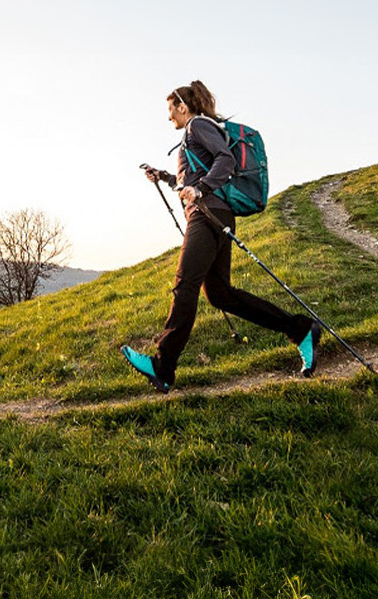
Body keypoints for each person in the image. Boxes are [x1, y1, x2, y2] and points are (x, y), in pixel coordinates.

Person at [123, 81, 320, 393]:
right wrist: (164, 176)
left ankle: (163, 365)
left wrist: (200, 189)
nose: (169, 116)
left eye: (170, 110)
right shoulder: (195, 133)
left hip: (207, 216)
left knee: (185, 284)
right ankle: (301, 329)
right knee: (220, 295)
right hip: (213, 215)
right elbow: (192, 178)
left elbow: (224, 160)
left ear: (182, 106)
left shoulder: (198, 125)